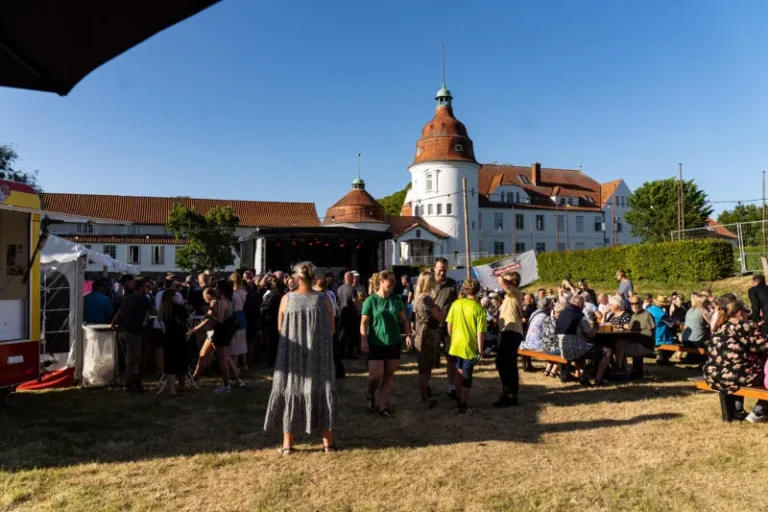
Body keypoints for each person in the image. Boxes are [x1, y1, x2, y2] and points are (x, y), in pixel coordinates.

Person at [264, 262, 338, 453]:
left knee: (291, 390)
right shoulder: (324, 299)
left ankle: (287, 445)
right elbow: (332, 328)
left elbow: (280, 328)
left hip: (292, 355)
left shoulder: (287, 299)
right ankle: (328, 443)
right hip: (319, 354)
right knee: (322, 390)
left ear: (296, 278)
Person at [703, 300, 768, 423]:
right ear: (739, 313)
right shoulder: (745, 326)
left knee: (740, 367)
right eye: (747, 311)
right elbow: (765, 345)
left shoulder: (720, 327)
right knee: (766, 378)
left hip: (712, 374)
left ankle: (737, 410)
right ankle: (759, 411)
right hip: (734, 375)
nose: (748, 314)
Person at [360, 270, 413, 417]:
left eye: (394, 280)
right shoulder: (370, 301)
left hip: (393, 342)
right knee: (376, 375)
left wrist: (408, 334)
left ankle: (384, 407)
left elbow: (403, 319)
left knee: (388, 376)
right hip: (376, 342)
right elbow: (364, 322)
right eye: (390, 280)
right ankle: (370, 395)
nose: (393, 283)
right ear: (382, 281)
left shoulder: (396, 299)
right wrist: (364, 340)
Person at [446, 279, 487, 414]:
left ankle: (459, 400)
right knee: (467, 376)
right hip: (469, 346)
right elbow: (480, 332)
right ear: (478, 290)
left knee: (459, 372)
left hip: (456, 344)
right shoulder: (479, 309)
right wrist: (481, 351)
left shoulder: (456, 304)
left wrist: (453, 337)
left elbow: (449, 325)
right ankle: (463, 405)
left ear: (464, 289)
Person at [557, 295, 610, 386]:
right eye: (584, 306)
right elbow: (590, 334)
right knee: (607, 351)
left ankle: (584, 376)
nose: (584, 308)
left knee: (587, 347)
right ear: (580, 304)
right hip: (576, 349)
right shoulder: (579, 316)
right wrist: (594, 329)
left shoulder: (562, 314)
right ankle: (598, 380)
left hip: (563, 349)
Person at [110, 277, 151, 392]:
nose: (148, 289)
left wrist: (113, 323)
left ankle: (136, 382)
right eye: (146, 287)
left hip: (122, 332)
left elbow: (119, 312)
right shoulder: (143, 299)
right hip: (133, 333)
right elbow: (155, 311)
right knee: (131, 361)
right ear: (142, 287)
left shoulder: (126, 298)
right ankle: (128, 385)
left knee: (134, 358)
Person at [412, 271, 443, 409]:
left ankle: (426, 395)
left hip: (421, 334)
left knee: (425, 367)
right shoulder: (427, 299)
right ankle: (425, 398)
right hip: (427, 335)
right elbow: (439, 317)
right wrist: (441, 311)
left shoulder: (418, 298)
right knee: (425, 369)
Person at [494, 272, 525, 407]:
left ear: (513, 283)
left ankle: (510, 393)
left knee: (506, 363)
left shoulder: (516, 292)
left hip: (511, 331)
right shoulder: (509, 295)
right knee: (504, 363)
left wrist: (501, 273)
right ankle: (509, 392)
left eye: (508, 280)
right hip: (507, 330)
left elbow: (500, 280)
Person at [210, 280, 245, 393]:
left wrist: (209, 315)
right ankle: (237, 380)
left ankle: (226, 385)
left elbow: (220, 319)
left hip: (221, 331)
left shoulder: (221, 302)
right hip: (227, 331)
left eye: (216, 287)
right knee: (227, 357)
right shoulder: (229, 301)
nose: (215, 289)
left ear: (221, 289)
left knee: (222, 360)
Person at [432, 257, 458, 399]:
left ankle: (451, 387)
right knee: (431, 358)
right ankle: (429, 384)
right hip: (432, 326)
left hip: (448, 326)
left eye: (445, 270)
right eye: (440, 270)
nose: (442, 273)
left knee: (450, 357)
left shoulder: (452, 284)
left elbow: (456, 303)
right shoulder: (428, 283)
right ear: (434, 268)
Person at [156, 285, 189, 397]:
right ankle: (182, 386)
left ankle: (171, 390)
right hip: (179, 336)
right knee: (182, 362)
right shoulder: (179, 307)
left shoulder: (163, 309)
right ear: (172, 296)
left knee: (170, 364)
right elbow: (187, 319)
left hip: (168, 336)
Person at [615, 296, 655, 378]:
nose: (635, 305)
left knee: (620, 345)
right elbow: (630, 328)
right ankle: (621, 369)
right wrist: (620, 326)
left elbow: (652, 331)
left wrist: (638, 334)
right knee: (618, 343)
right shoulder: (633, 315)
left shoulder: (647, 315)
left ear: (641, 303)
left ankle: (621, 369)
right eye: (632, 304)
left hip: (644, 343)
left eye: (637, 303)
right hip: (635, 340)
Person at [314, 277, 344, 379]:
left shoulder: (323, 296)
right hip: (332, 321)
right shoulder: (330, 294)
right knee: (333, 348)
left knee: (331, 349)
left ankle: (338, 370)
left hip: (327, 322)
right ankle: (338, 370)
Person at [261, 275, 285, 368]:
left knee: (273, 342)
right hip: (273, 320)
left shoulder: (274, 295)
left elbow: (267, 308)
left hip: (272, 320)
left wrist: (261, 308)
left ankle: (272, 361)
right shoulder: (273, 294)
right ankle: (272, 360)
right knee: (273, 341)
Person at [646, 295, 679, 364]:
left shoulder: (649, 309)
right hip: (660, 337)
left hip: (649, 335)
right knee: (676, 344)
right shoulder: (662, 314)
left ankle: (662, 357)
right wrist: (677, 322)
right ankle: (663, 357)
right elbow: (672, 324)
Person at [336, 272, 360, 359]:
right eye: (352, 277)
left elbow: (338, 301)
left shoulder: (339, 288)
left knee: (342, 332)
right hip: (351, 314)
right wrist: (358, 311)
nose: (354, 279)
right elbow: (355, 301)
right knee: (352, 334)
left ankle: (341, 352)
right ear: (349, 278)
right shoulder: (352, 289)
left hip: (342, 313)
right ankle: (350, 353)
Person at [229, 273, 249, 370]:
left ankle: (235, 365)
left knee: (235, 342)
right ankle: (244, 364)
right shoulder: (244, 292)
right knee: (242, 341)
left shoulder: (232, 293)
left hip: (235, 316)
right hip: (242, 315)